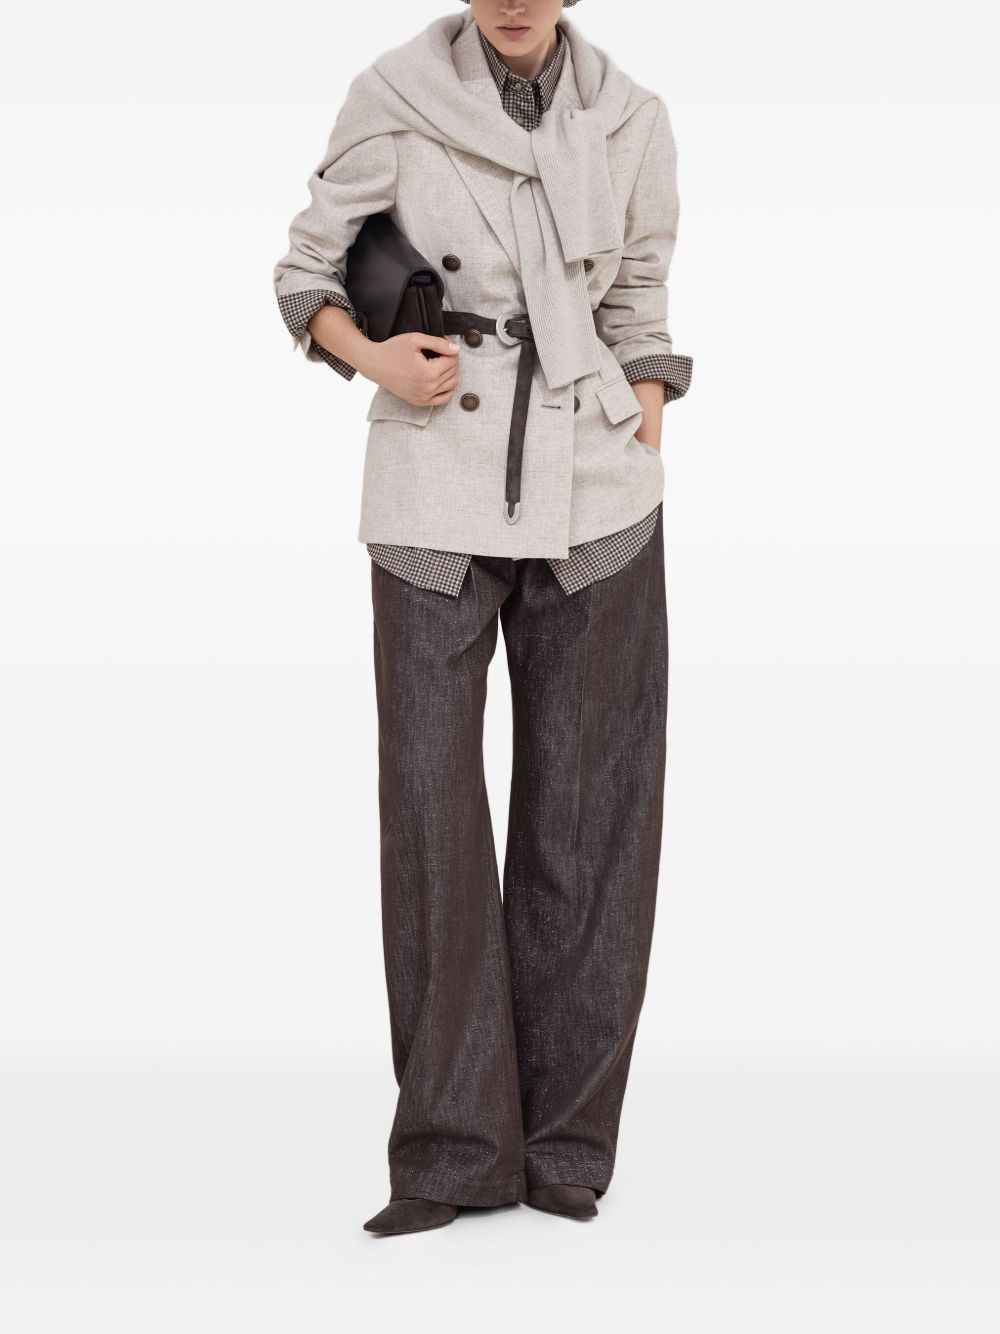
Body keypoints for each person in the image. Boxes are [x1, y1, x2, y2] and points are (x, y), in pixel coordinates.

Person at [272, 0, 693, 1236]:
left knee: (590, 818)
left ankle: (566, 1141)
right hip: (431, 483)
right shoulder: (392, 94)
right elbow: (304, 273)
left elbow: (641, 306)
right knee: (431, 817)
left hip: (596, 492)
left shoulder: (632, 117)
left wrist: (639, 443)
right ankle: (454, 1150)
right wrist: (376, 360)